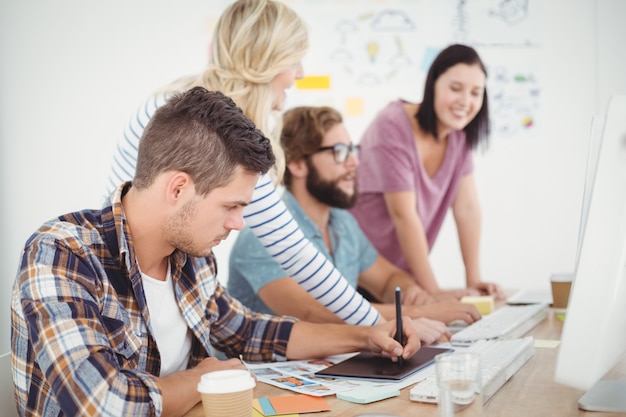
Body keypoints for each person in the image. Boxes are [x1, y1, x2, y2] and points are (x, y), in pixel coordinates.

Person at [11, 88, 419, 417]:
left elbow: (247, 330)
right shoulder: (62, 253)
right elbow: (105, 406)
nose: (239, 223)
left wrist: (365, 336)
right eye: (231, 206)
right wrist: (203, 379)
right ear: (178, 189)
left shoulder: (192, 255)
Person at [105, 0, 381, 326]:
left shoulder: (177, 102)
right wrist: (376, 325)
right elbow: (295, 252)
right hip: (129, 288)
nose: (301, 73)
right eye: (295, 61)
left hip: (156, 284)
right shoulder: (209, 131)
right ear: (268, 62)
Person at [228, 106, 481, 343]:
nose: (353, 162)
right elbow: (317, 313)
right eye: (339, 152)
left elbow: (387, 279)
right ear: (297, 164)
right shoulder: (263, 235)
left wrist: (411, 291)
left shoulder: (343, 223)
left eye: (352, 150)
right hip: (258, 378)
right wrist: (418, 313)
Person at [350, 44, 504, 299]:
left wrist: (474, 281)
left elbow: (467, 209)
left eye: (476, 92)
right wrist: (433, 294)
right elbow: (403, 214)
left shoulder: (459, 137)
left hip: (400, 280)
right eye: (455, 89)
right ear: (433, 84)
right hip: (362, 275)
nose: (466, 102)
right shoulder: (392, 125)